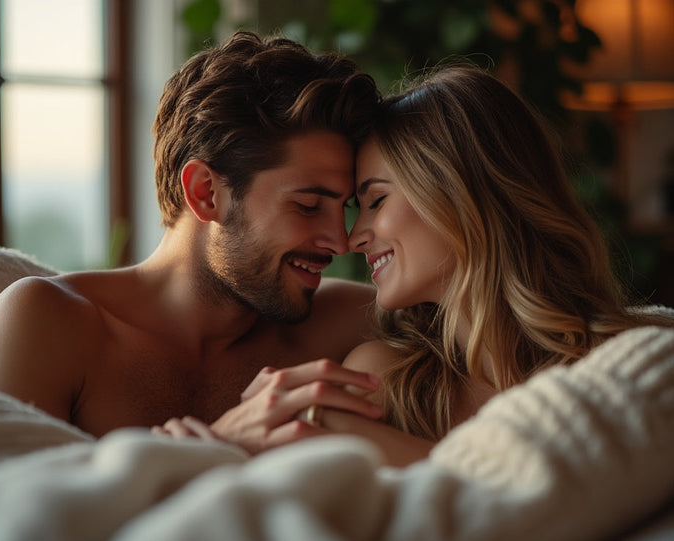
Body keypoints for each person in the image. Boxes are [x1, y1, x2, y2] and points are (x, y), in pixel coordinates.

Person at [0, 31, 385, 443]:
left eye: (345, 208)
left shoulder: (349, 323)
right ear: (205, 192)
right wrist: (218, 447)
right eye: (309, 205)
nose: (341, 240)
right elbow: (16, 504)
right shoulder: (46, 326)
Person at [269, 63, 674, 466]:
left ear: (460, 195)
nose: (353, 238)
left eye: (376, 201)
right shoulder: (387, 381)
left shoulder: (635, 358)